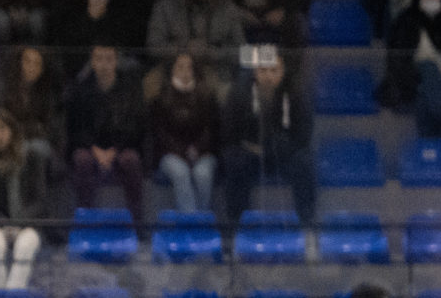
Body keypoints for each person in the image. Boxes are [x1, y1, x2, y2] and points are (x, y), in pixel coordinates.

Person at [223, 45, 316, 229]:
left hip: (284, 155)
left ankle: (306, 222)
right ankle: (236, 225)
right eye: (263, 70)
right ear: (255, 72)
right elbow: (230, 133)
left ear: (283, 71)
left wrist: (279, 147)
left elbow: (303, 134)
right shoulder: (239, 93)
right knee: (234, 161)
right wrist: (251, 147)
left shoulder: (295, 92)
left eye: (274, 70)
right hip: (250, 154)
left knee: (304, 162)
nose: (268, 76)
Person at [0, 108, 52, 292]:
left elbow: (40, 201)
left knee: (26, 244)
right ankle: (1, 296)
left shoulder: (31, 157)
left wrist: (19, 223)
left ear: (11, 130)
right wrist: (4, 224)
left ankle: (11, 296)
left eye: (1, 128)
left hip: (28, 224)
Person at [67, 41, 147, 221]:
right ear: (92, 62)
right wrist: (94, 149)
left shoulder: (130, 90)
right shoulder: (81, 89)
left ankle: (136, 222)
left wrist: (114, 150)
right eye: (99, 59)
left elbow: (135, 127)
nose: (104, 64)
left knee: (131, 159)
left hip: (121, 148)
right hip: (90, 148)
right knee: (81, 159)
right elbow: (76, 128)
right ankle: (85, 220)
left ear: (116, 61)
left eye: (109, 59)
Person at [149, 0, 247, 91]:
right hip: (172, 70)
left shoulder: (227, 8)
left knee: (227, 92)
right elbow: (153, 46)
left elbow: (242, 51)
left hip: (216, 72)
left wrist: (212, 52)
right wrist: (184, 49)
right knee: (149, 86)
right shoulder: (165, 6)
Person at [380, 0, 441, 138]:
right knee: (428, 69)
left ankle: (429, 143)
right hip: (413, 77)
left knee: (425, 97)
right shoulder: (407, 20)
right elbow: (397, 57)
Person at [150, 51, 222, 217]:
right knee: (180, 172)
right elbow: (160, 133)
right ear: (172, 70)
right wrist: (182, 152)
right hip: (170, 154)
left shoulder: (207, 97)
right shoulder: (161, 98)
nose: (185, 72)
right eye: (180, 67)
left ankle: (202, 219)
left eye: (189, 67)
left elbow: (211, 130)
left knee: (202, 175)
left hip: (203, 154)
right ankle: (190, 222)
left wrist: (197, 149)